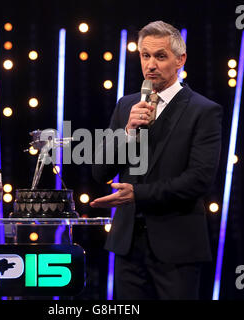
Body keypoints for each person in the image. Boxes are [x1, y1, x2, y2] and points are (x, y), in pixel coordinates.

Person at [90, 21, 222, 300]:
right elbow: (99, 170)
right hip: (128, 246)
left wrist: (137, 194)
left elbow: (198, 180)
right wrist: (126, 133)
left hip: (177, 248)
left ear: (180, 60)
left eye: (160, 56)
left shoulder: (204, 111)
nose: (150, 64)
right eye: (145, 55)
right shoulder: (127, 105)